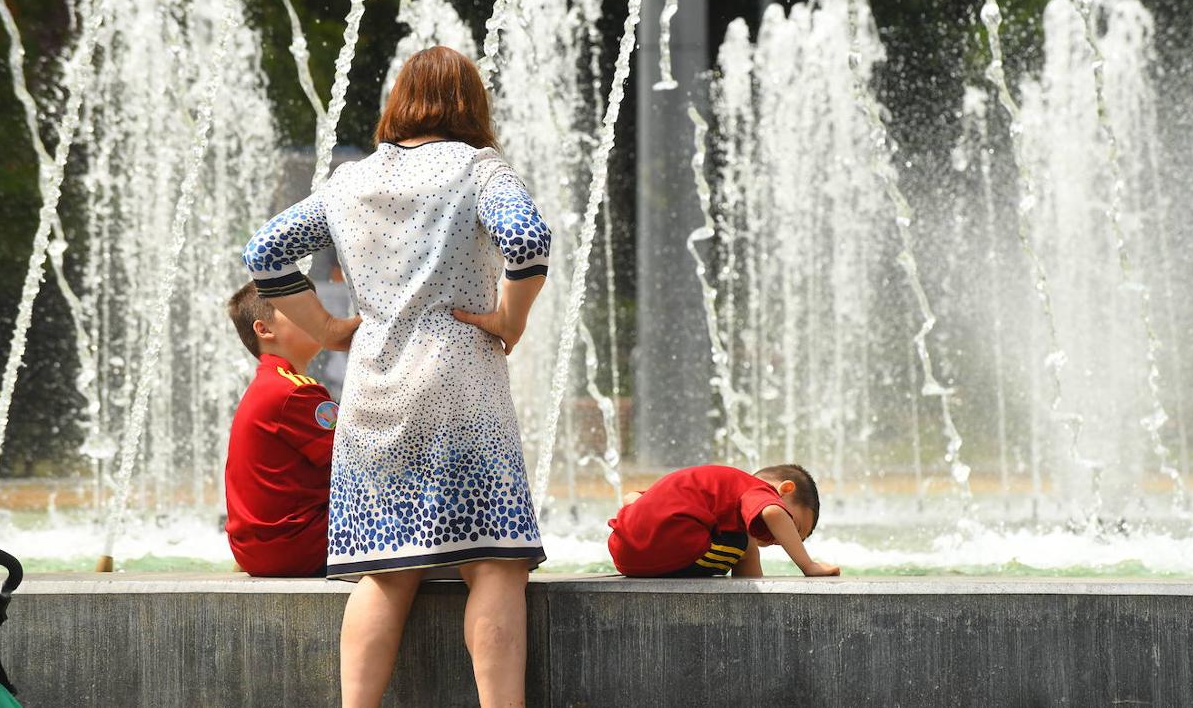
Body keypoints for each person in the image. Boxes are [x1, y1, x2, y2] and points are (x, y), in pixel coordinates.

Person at [241, 45, 550, 708]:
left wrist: (326, 330)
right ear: (472, 103)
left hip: (374, 390)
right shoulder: (477, 169)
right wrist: (509, 319)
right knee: (495, 564)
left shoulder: (350, 181)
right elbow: (526, 241)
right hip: (462, 387)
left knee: (385, 573)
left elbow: (264, 253)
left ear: (398, 102)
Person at [224, 280, 336, 578]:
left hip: (261, 550)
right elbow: (357, 460)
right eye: (300, 310)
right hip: (297, 546)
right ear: (265, 330)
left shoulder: (269, 385)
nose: (317, 316)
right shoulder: (295, 393)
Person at [608, 464, 841, 578]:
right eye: (794, 527)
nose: (780, 540)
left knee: (740, 537)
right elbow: (772, 513)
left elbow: (632, 499)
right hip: (675, 545)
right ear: (785, 490)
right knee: (746, 544)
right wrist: (808, 566)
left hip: (624, 555)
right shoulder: (757, 490)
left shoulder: (717, 486)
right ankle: (750, 604)